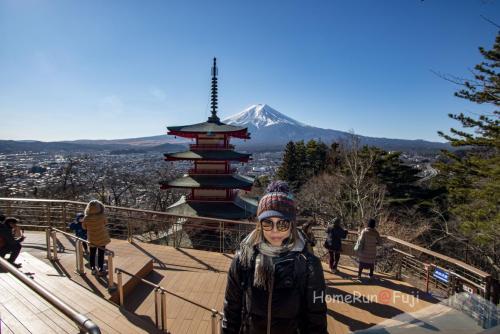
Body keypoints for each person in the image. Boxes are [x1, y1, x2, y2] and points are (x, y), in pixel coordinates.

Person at [222, 180, 328, 334]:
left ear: (292, 224)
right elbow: (231, 311)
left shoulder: (307, 265)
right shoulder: (243, 260)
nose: (275, 231)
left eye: (282, 224)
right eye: (267, 223)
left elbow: (316, 319)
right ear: (259, 224)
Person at [82, 200, 110, 276]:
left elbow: (84, 227)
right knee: (101, 254)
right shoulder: (102, 216)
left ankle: (93, 269)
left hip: (92, 238)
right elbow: (106, 223)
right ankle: (101, 269)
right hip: (102, 237)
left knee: (92, 254)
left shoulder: (86, 218)